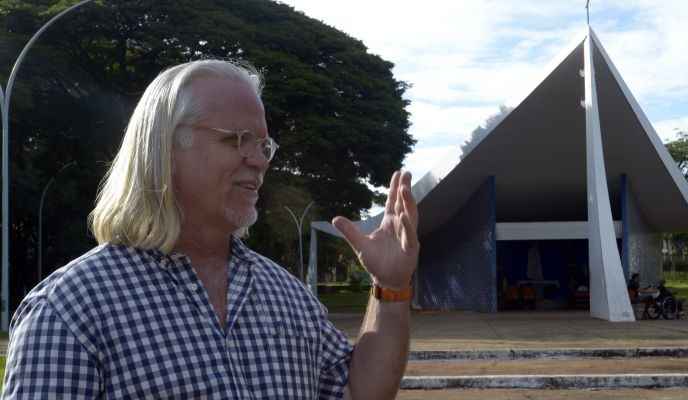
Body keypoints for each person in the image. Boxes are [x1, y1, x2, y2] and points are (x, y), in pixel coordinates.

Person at [2, 60, 419, 399]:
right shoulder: (70, 312)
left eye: (263, 145)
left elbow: (358, 391)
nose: (259, 160)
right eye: (236, 140)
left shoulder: (287, 296)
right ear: (163, 147)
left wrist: (390, 285)